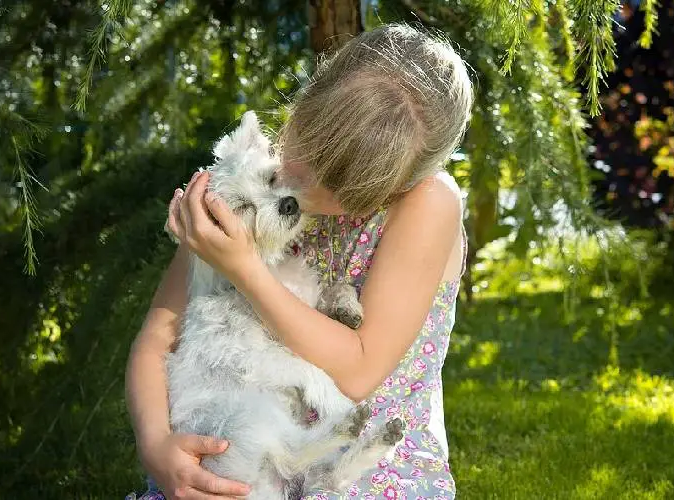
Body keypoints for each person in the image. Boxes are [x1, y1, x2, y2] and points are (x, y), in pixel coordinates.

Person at [125, 23, 473, 500]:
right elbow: (158, 337)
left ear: (398, 186)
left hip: (367, 465)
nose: (298, 189)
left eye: (340, 190)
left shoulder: (427, 205)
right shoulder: (252, 181)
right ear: (309, 99)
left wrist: (244, 269)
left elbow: (358, 370)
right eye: (302, 149)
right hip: (241, 448)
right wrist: (156, 444)